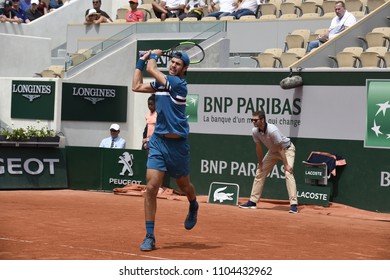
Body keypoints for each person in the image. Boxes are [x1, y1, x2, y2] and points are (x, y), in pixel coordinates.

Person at [132, 49, 199, 251]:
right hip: (159, 143)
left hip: (177, 145)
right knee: (151, 188)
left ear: (184, 69)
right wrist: (139, 62)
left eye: (178, 64)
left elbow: (152, 69)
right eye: (172, 62)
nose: (173, 65)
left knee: (183, 185)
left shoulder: (179, 84)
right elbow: (136, 86)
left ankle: (193, 203)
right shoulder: (162, 84)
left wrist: (151, 56)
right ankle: (149, 236)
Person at [239, 110, 299, 214]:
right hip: (273, 151)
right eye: (252, 120)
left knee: (288, 173)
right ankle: (253, 202)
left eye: (255, 120)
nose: (253, 122)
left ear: (262, 120)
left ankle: (294, 205)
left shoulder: (272, 130)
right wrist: (260, 163)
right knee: (260, 172)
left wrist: (286, 165)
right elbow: (258, 147)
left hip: (286, 149)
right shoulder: (255, 131)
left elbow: (280, 148)